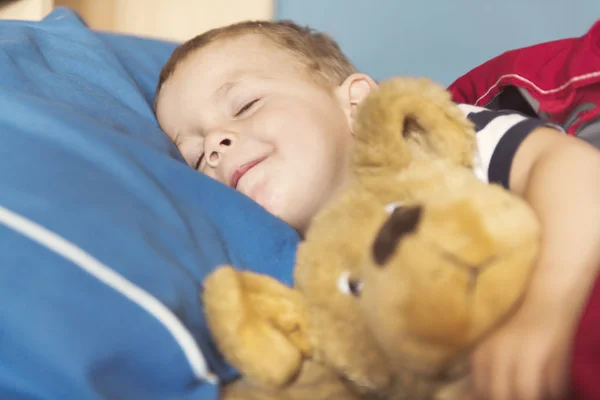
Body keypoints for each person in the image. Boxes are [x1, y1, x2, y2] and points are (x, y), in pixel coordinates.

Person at [153, 20, 600, 400]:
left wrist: (545, 307)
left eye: (244, 105)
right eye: (195, 155)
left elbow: (572, 168)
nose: (216, 144)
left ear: (357, 102)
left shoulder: (424, 142)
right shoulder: (308, 277)